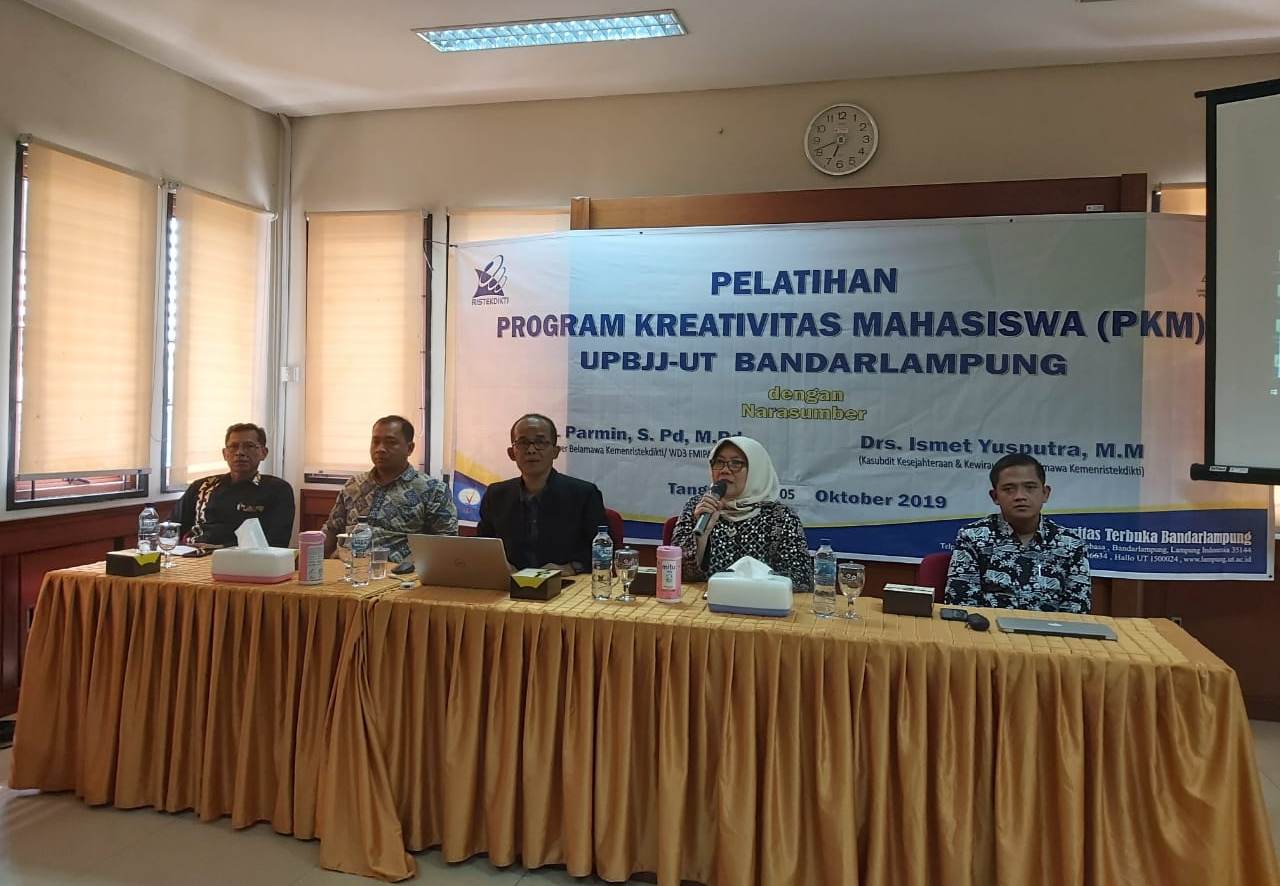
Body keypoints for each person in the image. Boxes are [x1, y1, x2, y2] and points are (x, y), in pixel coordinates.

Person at [944, 453, 1091, 612]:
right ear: (995, 496)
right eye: (1009, 489)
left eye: (1030, 487)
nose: (1020, 496)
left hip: (1051, 627)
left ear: (1045, 493)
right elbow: (961, 605)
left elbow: (1078, 609)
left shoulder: (1071, 544)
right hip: (988, 626)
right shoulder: (973, 537)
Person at [671, 436, 813, 591]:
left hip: (760, 602)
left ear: (756, 471)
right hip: (705, 602)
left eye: (736, 463)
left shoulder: (781, 517)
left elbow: (801, 579)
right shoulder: (699, 507)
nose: (725, 470)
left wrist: (748, 587)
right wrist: (701, 539)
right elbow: (675, 572)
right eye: (719, 462)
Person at [476, 414, 606, 574]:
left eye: (540, 442)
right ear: (511, 453)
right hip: (510, 582)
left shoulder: (584, 494)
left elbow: (604, 549)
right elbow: (482, 546)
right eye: (523, 443)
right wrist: (500, 566)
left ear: (555, 451)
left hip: (564, 582)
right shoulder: (496, 495)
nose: (531, 450)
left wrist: (571, 568)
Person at [323, 415, 457, 565]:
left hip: (400, 573)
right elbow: (332, 529)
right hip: (346, 569)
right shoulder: (354, 485)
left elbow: (446, 543)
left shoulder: (432, 490)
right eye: (375, 442)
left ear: (409, 448)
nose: (380, 449)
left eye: (391, 442)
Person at [178, 422, 296, 548]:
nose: (240, 452)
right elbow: (172, 528)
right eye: (233, 446)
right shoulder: (202, 487)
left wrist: (222, 549)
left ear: (264, 453)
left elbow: (276, 542)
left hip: (245, 557)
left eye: (249, 446)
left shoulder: (277, 490)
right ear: (225, 454)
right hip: (192, 553)